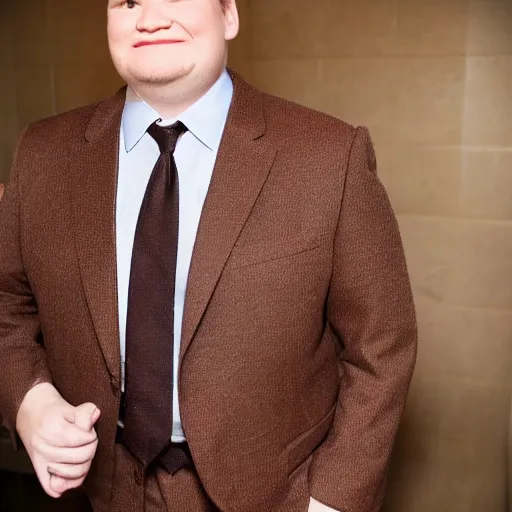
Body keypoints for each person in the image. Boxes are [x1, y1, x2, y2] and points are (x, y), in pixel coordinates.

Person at [0, 1, 417, 511]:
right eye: (127, 1)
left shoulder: (330, 157)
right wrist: (28, 399)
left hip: (275, 496)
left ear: (230, 16)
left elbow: (382, 348)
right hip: (93, 494)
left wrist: (331, 501)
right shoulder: (42, 153)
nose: (149, 18)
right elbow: (6, 304)